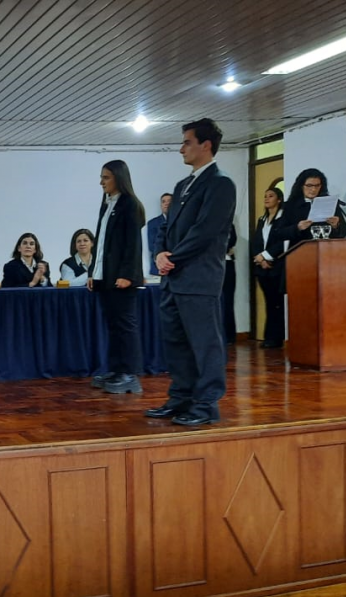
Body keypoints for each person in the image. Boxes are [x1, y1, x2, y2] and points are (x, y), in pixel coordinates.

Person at [149, 118, 237, 426]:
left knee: (204, 344)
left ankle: (205, 404)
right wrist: (159, 253)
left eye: (187, 142)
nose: (181, 148)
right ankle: (181, 398)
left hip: (199, 279)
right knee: (177, 343)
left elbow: (206, 232)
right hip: (174, 278)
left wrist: (172, 258)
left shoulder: (221, 183)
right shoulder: (182, 185)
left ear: (206, 145)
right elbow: (166, 226)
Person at [88, 160, 146, 394]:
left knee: (125, 326)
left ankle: (130, 373)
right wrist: (93, 272)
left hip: (122, 278)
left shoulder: (129, 204)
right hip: (106, 276)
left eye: (106, 177)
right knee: (113, 326)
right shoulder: (106, 204)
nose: (101, 182)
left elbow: (133, 244)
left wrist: (127, 275)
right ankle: (116, 369)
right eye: (101, 177)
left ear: (119, 178)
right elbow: (100, 243)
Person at [250, 188, 287, 348]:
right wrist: (260, 258)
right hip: (262, 267)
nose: (266, 199)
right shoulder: (262, 219)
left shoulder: (283, 218)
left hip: (276, 265)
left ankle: (276, 338)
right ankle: (269, 337)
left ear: (279, 199)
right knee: (268, 302)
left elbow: (282, 242)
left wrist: (267, 256)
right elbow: (256, 241)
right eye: (265, 196)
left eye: (271, 196)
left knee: (277, 303)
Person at [277, 168, 346, 245]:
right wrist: (298, 227)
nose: (313, 189)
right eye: (309, 185)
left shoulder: (329, 203)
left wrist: (336, 225)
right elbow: (279, 233)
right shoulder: (290, 206)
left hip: (326, 250)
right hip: (299, 252)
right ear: (301, 186)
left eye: (317, 185)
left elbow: (345, 231)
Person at [222, 222, 238, 345]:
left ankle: (229, 336)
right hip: (212, 265)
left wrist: (226, 248)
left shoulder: (229, 225)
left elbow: (232, 241)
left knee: (228, 301)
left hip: (227, 265)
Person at [147, 194, 171, 274]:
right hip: (158, 267)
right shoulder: (152, 223)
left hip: (177, 266)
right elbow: (152, 245)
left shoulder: (182, 223)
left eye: (169, 201)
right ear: (161, 205)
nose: (166, 203)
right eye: (164, 201)